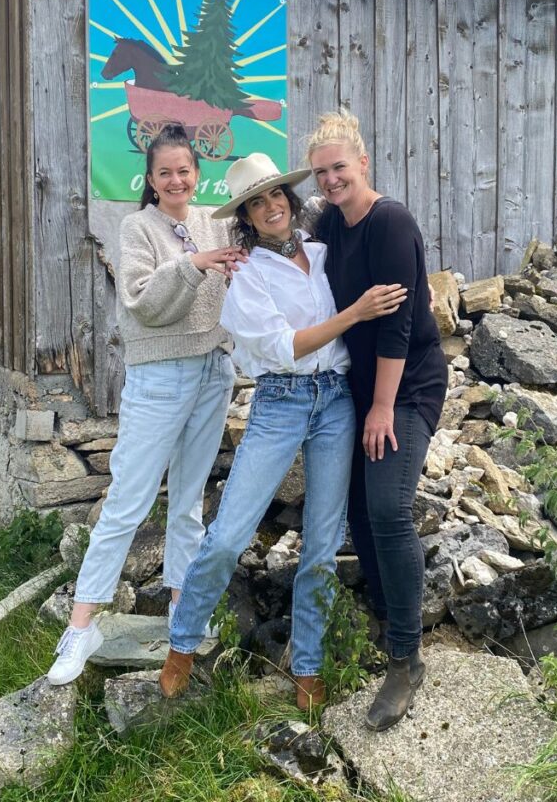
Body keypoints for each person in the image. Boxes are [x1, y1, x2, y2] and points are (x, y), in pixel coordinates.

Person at [158, 153, 408, 711]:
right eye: (256, 202)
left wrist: (415, 290)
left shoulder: (323, 253)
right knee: (228, 535)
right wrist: (355, 313)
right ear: (245, 215)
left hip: (337, 400)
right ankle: (182, 643)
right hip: (282, 401)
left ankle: (308, 665)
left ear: (290, 200)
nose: (270, 207)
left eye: (276, 195)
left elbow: (379, 277)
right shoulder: (246, 274)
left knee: (321, 545)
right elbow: (285, 346)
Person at [46, 124, 245, 686]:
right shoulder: (138, 227)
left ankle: (183, 613)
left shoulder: (216, 221)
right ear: (151, 180)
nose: (176, 180)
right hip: (160, 377)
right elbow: (142, 304)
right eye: (165, 173)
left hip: (212, 371)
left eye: (184, 170)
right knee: (127, 503)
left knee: (188, 502)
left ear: (197, 173)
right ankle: (81, 627)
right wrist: (194, 265)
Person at [307, 108, 448, 732]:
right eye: (321, 173)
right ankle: (392, 621)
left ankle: (406, 659)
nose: (331, 180)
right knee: (359, 512)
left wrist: (383, 407)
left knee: (388, 506)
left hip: (407, 384)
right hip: (358, 385)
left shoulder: (390, 222)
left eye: (339, 167)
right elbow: (287, 242)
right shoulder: (329, 223)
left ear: (363, 162)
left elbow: (397, 326)